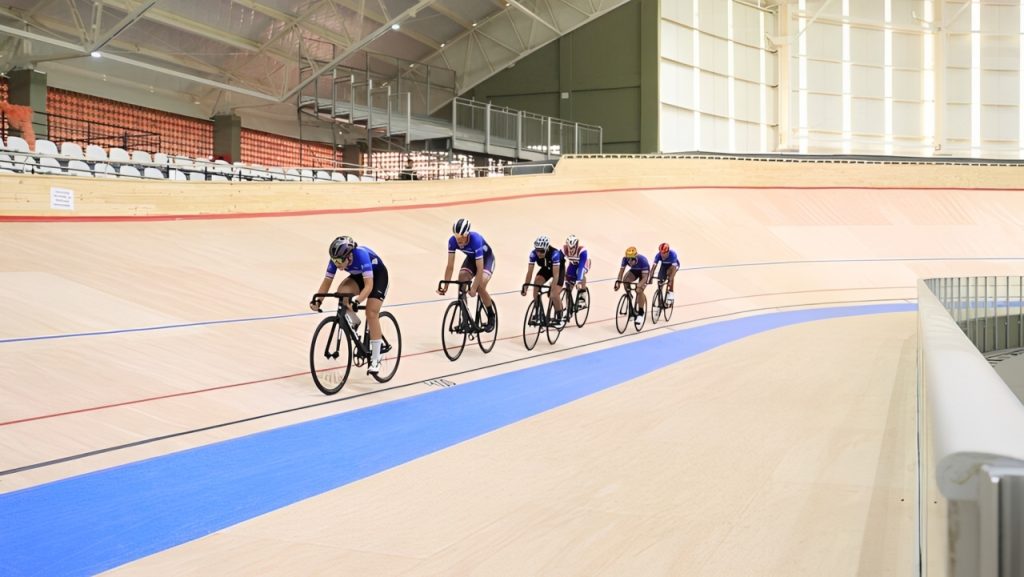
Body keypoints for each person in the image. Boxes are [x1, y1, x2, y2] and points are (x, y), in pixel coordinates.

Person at [309, 236, 390, 374]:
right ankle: (354, 321)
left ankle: (375, 358)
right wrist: (318, 301)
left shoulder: (361, 255)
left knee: (371, 313)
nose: (337, 264)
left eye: (339, 261)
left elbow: (369, 286)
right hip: (360, 276)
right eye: (334, 261)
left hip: (377, 277)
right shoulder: (337, 259)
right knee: (342, 292)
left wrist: (357, 301)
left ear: (349, 256)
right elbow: (327, 281)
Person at [437, 218, 497, 331]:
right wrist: (446, 286)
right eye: (456, 236)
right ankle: (465, 319)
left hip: (486, 261)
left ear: (467, 234)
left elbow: (480, 269)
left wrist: (474, 288)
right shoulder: (452, 241)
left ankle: (491, 315)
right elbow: (450, 266)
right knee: (462, 279)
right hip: (471, 259)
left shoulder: (476, 240)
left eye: (461, 237)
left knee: (480, 286)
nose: (458, 240)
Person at [520, 235, 565, 327]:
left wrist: (552, 288)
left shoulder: (555, 254)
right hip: (547, 268)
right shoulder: (533, 254)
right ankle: (538, 312)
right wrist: (526, 286)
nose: (539, 253)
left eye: (542, 251)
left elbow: (556, 276)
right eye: (537, 250)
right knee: (536, 282)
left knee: (553, 294)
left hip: (558, 270)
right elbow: (530, 272)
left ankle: (560, 318)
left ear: (547, 249)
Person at [614, 246, 650, 318]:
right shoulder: (625, 259)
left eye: (631, 259)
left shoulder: (643, 261)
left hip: (644, 273)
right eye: (628, 259)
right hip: (635, 270)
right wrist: (618, 282)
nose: (629, 262)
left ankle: (640, 311)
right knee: (625, 281)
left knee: (639, 290)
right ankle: (629, 295)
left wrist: (639, 285)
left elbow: (645, 278)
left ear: (635, 257)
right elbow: (621, 272)